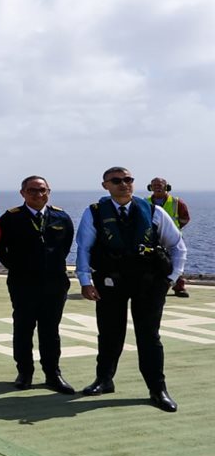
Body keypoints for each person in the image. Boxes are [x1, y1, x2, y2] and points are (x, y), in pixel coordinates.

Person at [77, 167, 186, 412]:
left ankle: (157, 389)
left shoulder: (154, 211)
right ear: (105, 185)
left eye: (128, 179)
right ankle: (104, 380)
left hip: (148, 283)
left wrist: (171, 278)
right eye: (116, 180)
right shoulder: (94, 212)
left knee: (149, 337)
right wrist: (85, 281)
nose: (123, 184)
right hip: (110, 282)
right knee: (109, 333)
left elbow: (177, 245)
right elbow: (84, 247)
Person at [0, 176, 76, 394]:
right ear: (23, 193)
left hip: (54, 284)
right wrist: (15, 266)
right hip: (23, 284)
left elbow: (66, 246)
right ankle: (25, 373)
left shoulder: (61, 217)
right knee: (23, 328)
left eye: (42, 190)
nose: (38, 194)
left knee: (50, 330)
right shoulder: (11, 218)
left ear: (48, 191)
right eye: (32, 190)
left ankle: (53, 374)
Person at [146, 177, 191, 298]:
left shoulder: (176, 202)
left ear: (167, 187)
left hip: (172, 237)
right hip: (152, 236)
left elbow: (185, 218)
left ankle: (179, 287)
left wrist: (174, 228)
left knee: (176, 260)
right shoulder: (146, 202)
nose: (157, 188)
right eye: (154, 185)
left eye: (160, 185)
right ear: (150, 187)